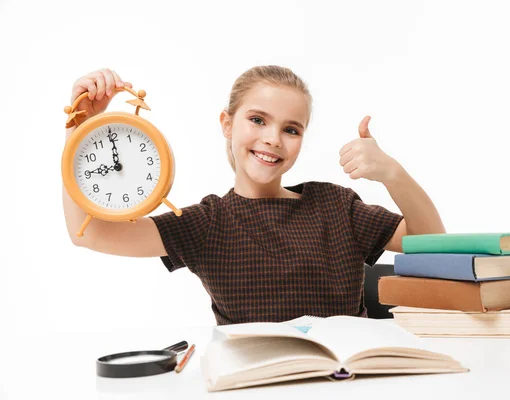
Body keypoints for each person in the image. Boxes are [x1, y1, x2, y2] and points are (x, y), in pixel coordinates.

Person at [63, 66, 446, 325]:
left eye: (291, 129)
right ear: (227, 124)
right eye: (258, 120)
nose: (272, 139)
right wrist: (79, 129)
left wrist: (393, 174)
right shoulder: (206, 223)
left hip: (346, 383)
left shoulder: (335, 206)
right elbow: (90, 233)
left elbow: (432, 247)